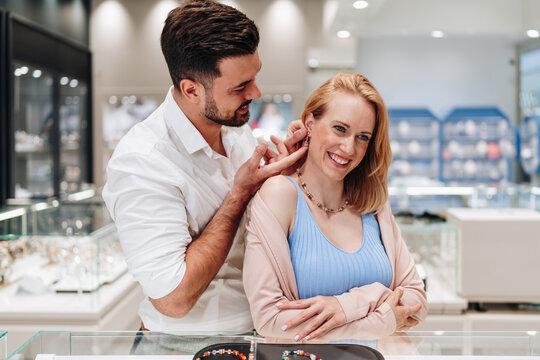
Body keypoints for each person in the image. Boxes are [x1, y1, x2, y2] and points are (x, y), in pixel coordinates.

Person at [102, 0, 307, 333]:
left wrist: (282, 176)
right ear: (191, 90)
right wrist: (240, 193)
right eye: (240, 87)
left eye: (254, 77)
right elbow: (173, 299)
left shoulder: (236, 129)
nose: (256, 92)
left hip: (260, 331)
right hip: (184, 345)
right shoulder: (142, 161)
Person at [243, 72, 428, 342]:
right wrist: (381, 321)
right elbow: (271, 320)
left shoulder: (373, 203)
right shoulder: (280, 194)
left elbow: (416, 300)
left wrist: (350, 304)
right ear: (309, 122)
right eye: (340, 129)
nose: (349, 148)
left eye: (363, 137)